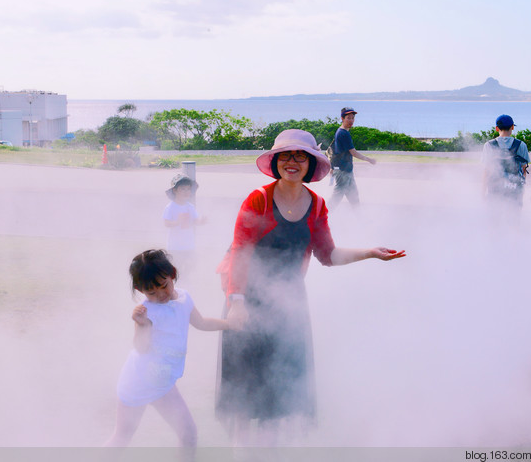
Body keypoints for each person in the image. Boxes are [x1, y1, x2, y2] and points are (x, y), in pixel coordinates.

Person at [215, 129, 405, 446]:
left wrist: (370, 253)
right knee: (246, 398)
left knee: (278, 397)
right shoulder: (259, 199)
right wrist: (236, 301)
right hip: (246, 303)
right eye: (286, 155)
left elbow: (328, 255)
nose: (293, 162)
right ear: (276, 161)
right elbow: (240, 251)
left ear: (310, 163)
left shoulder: (316, 205)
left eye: (300, 155)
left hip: (288, 306)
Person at [108, 249, 239, 447]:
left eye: (163, 286)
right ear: (140, 290)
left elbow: (201, 322)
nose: (160, 295)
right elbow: (141, 348)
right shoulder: (147, 312)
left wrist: (228, 324)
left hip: (163, 384)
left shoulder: (184, 299)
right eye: (151, 292)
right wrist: (141, 324)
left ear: (173, 274)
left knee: (188, 434)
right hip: (138, 382)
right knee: (121, 438)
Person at [328, 107, 377, 209]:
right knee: (336, 198)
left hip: (346, 170)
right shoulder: (343, 133)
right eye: (348, 118)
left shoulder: (341, 131)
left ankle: (359, 220)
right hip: (342, 171)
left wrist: (332, 167)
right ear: (342, 118)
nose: (351, 121)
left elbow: (335, 149)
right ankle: (321, 218)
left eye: (352, 118)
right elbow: (353, 152)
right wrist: (369, 159)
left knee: (353, 197)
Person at [481, 114, 530, 207]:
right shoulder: (521, 145)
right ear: (512, 127)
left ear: (496, 128)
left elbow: (486, 170)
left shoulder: (489, 145)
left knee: (495, 218)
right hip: (514, 190)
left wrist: (483, 191)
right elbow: (524, 170)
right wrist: (522, 190)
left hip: (495, 189)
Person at [163, 174, 204, 271]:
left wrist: (201, 221)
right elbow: (166, 223)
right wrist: (177, 222)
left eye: (188, 189)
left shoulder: (190, 207)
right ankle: (180, 282)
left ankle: (187, 281)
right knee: (176, 268)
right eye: (183, 189)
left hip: (189, 244)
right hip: (175, 246)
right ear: (175, 190)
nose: (186, 191)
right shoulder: (171, 207)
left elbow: (195, 220)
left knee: (191, 264)